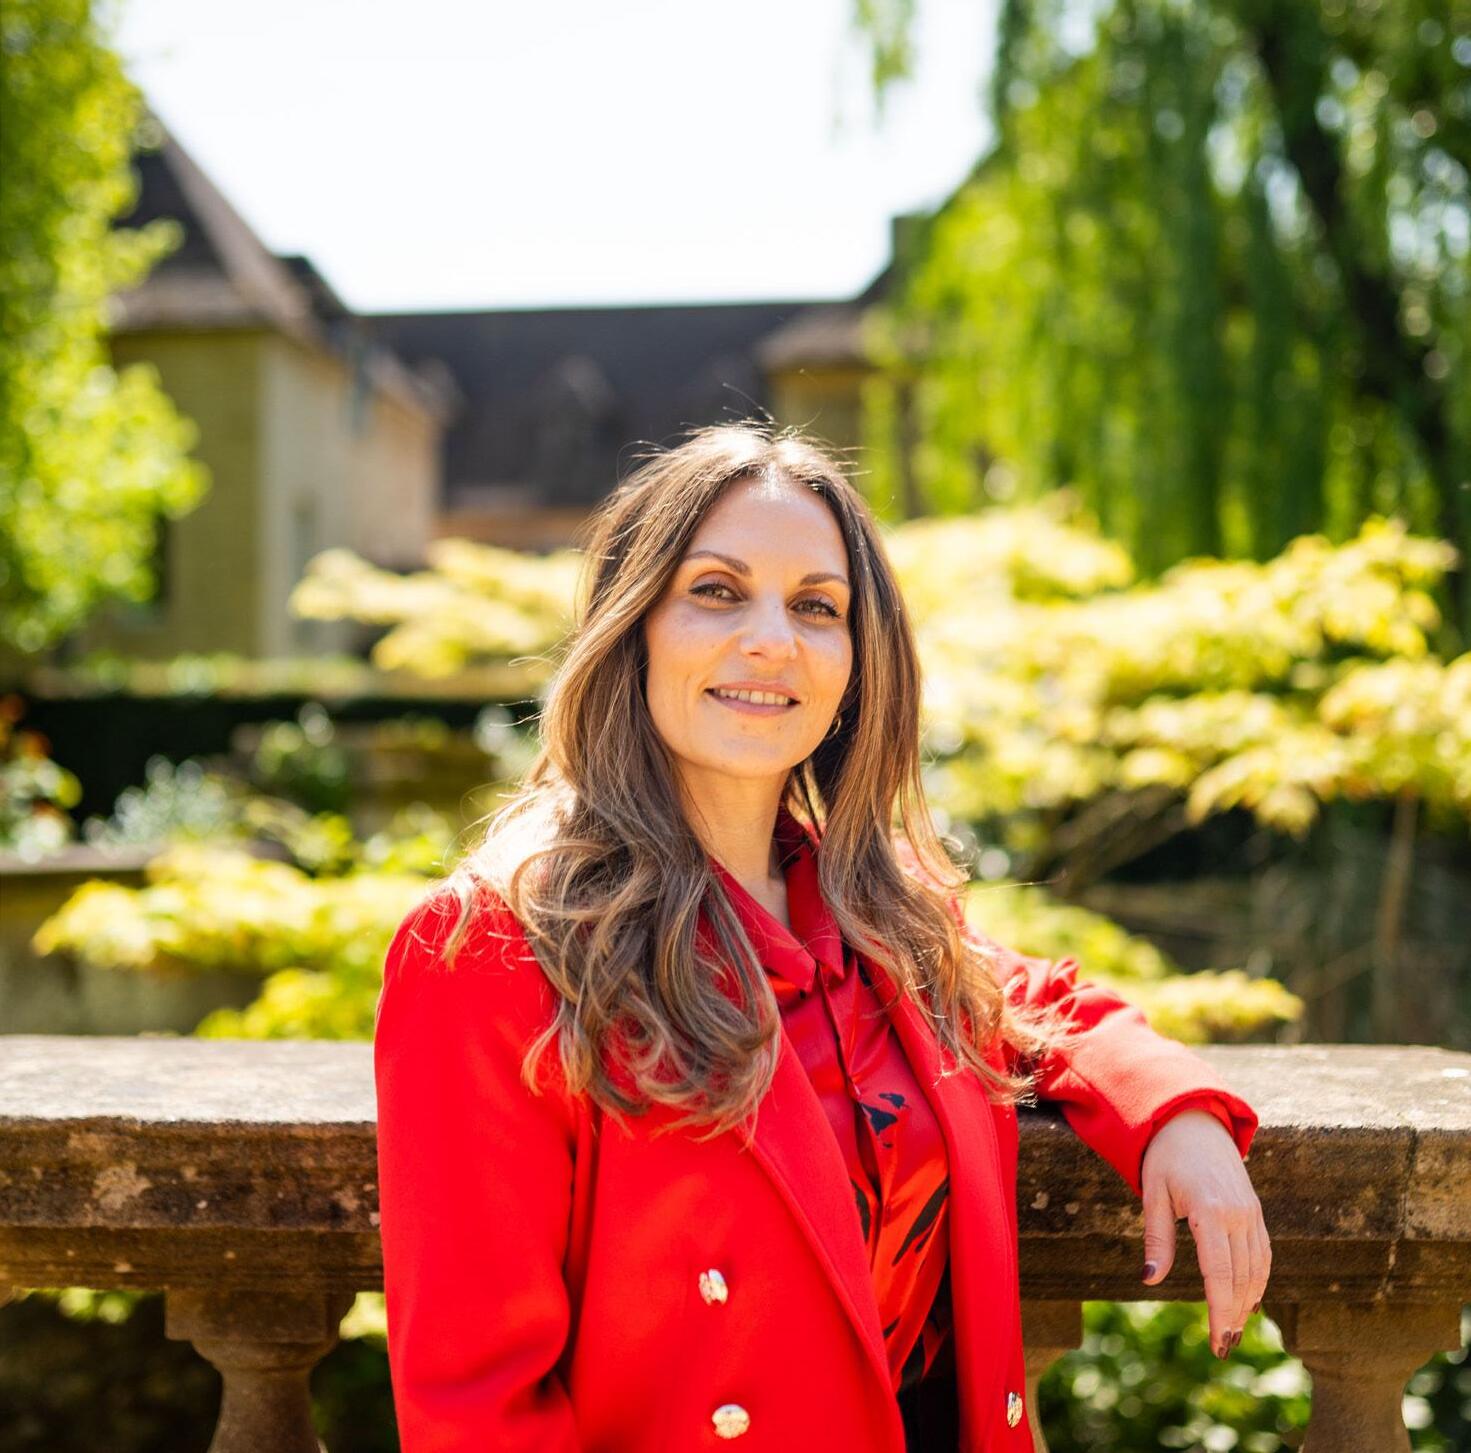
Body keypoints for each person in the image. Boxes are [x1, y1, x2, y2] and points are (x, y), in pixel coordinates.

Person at [373, 422, 1269, 1452]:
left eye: (816, 606)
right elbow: (477, 1410)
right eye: (716, 590)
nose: (773, 640)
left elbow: (1031, 1000)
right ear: (632, 627)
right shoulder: (496, 948)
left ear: (856, 658)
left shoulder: (880, 912)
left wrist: (1175, 1115)